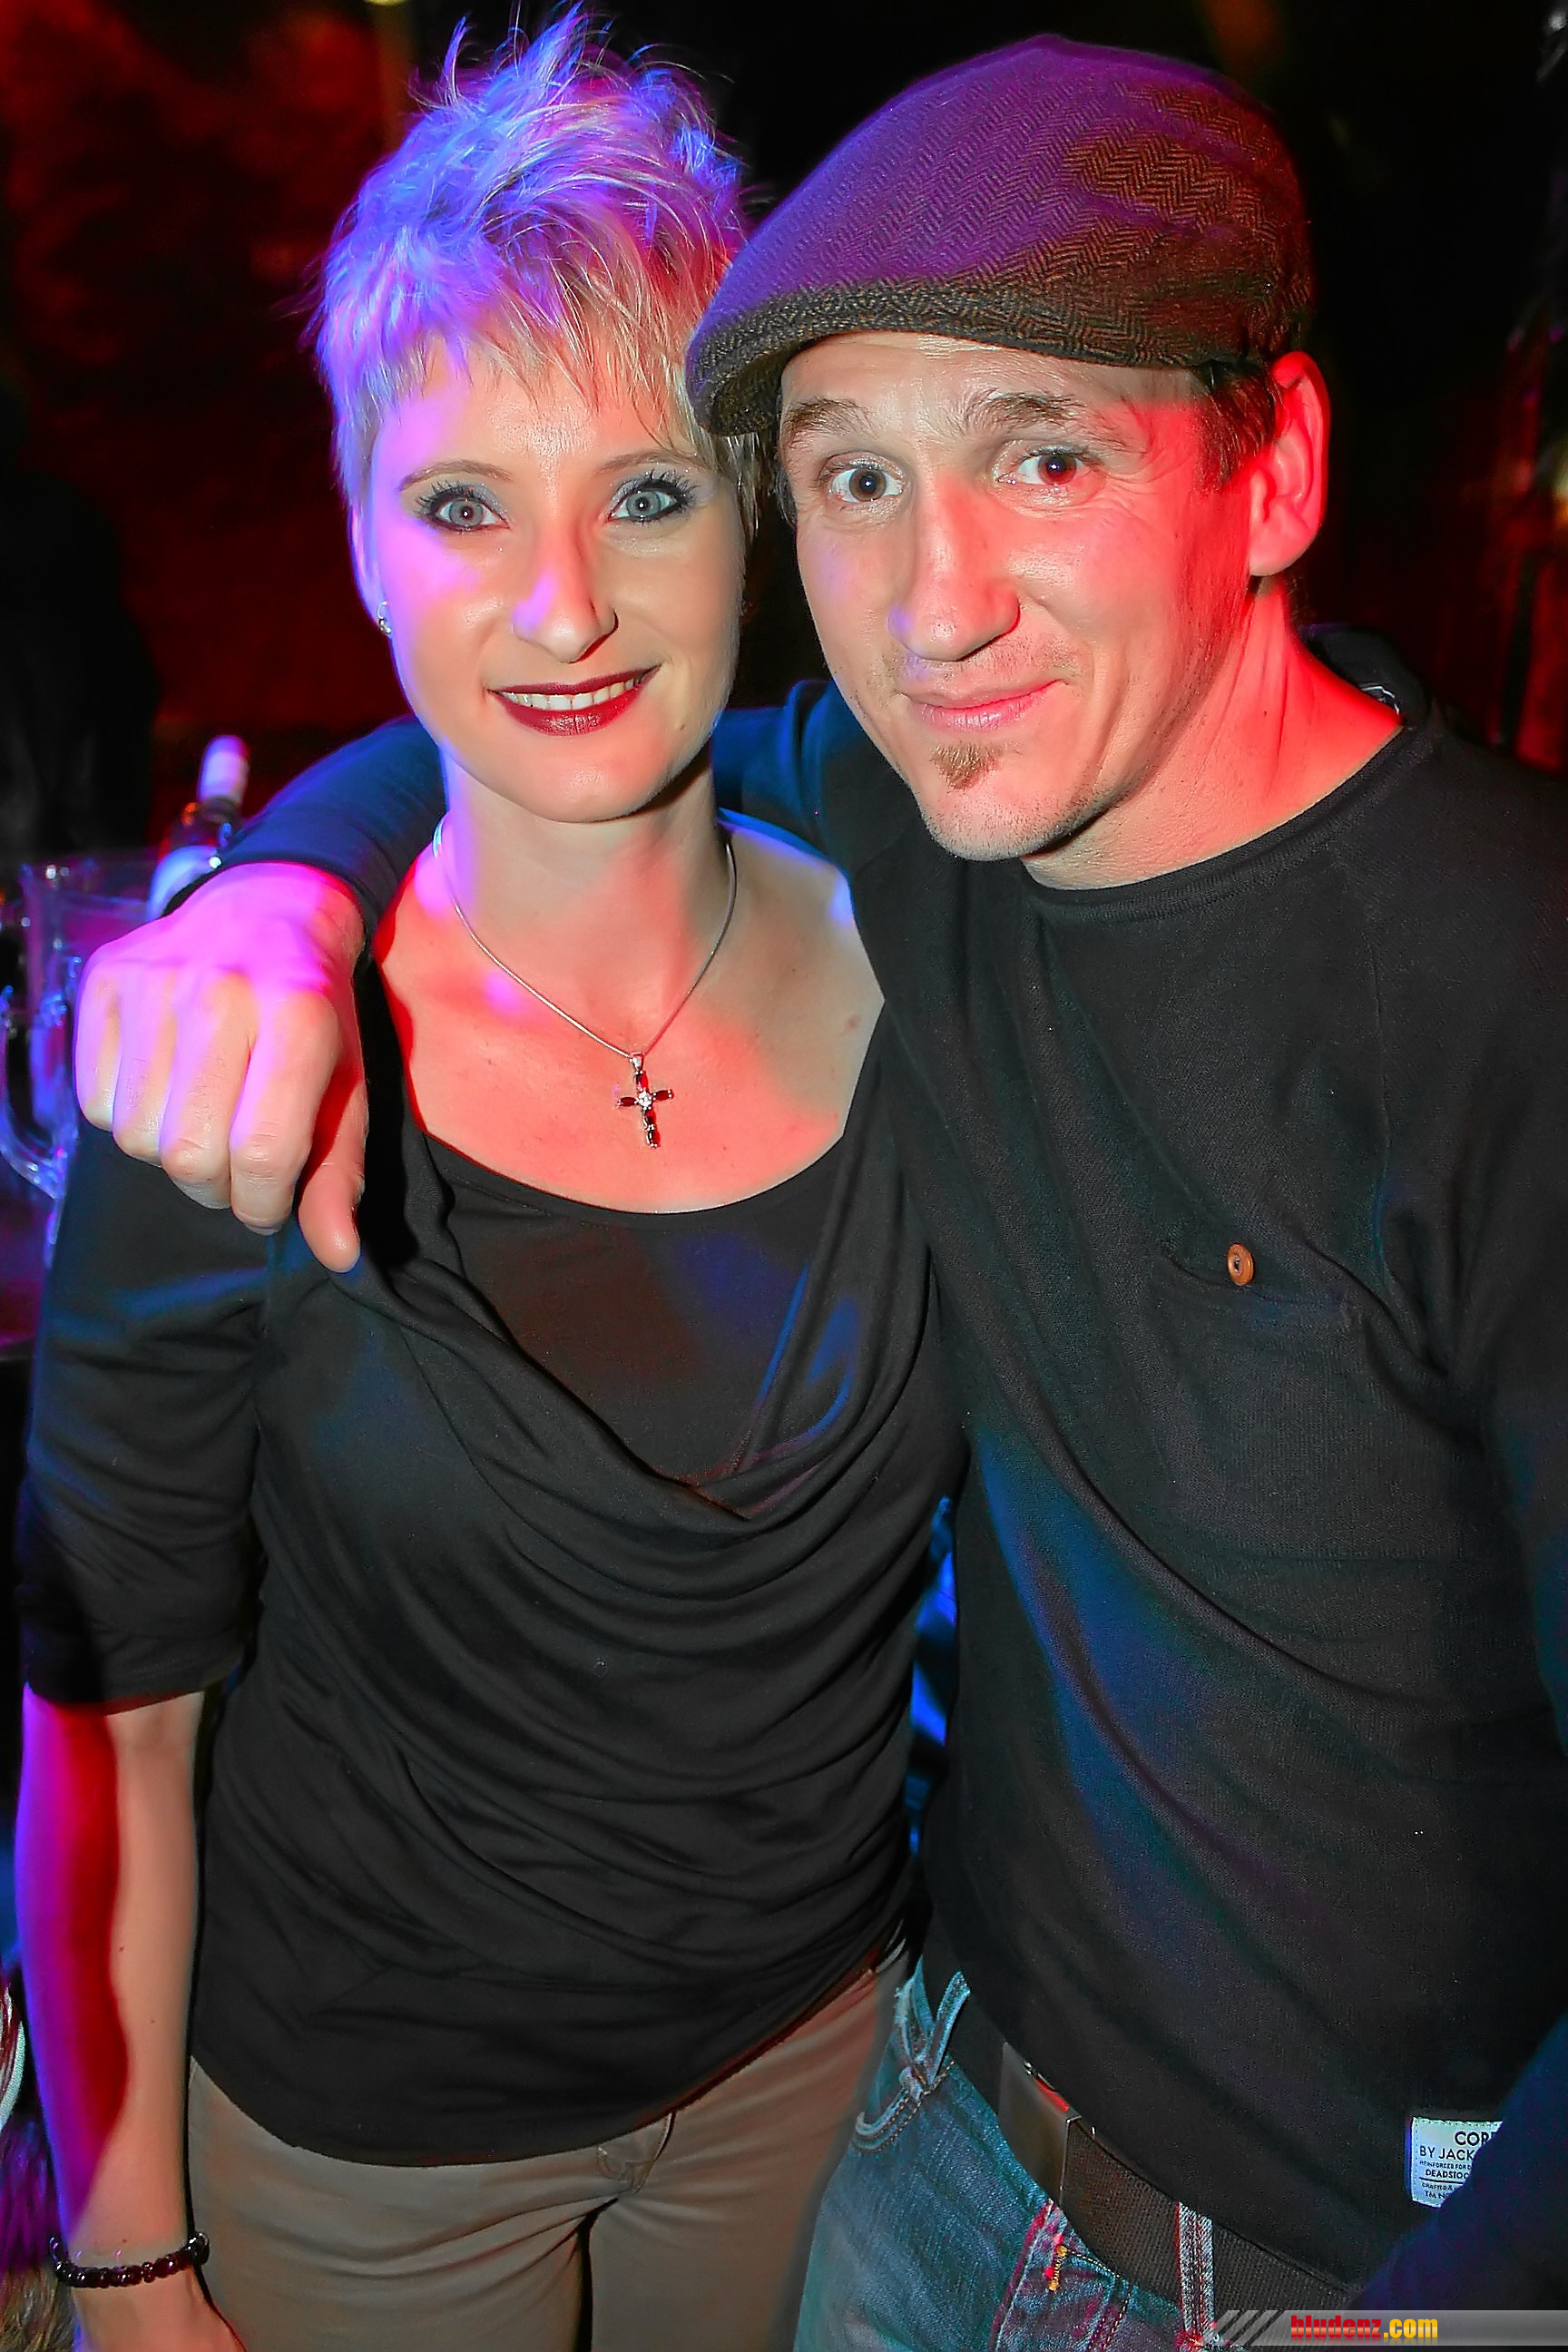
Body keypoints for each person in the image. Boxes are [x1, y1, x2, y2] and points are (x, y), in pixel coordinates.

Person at [65, 29, 1568, 2347]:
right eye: (863, 475)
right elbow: (108, 1703)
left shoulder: (1372, 968)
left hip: (1129, 2204)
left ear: (1276, 471)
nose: (936, 605)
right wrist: (273, 887)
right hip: (836, 2135)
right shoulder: (869, 842)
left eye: (1044, 454)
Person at [14, 25, 964, 2352]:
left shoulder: (933, 935)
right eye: (462, 506)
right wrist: (126, 2256)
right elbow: (112, 1715)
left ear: (750, 515)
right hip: (366, 2150)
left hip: (813, 2080)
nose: (563, 607)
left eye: (644, 496)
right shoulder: (234, 1062)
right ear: (357, 532)